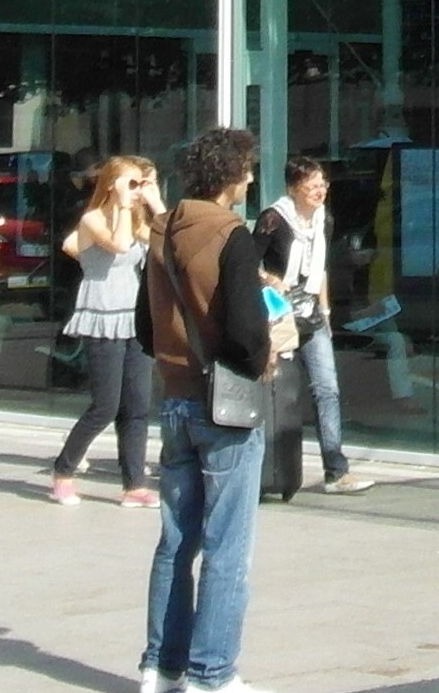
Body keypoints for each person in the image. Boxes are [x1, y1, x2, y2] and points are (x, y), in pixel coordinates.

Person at [139, 126, 280, 693]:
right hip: (223, 407)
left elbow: (142, 328)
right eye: (246, 169)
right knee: (227, 543)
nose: (250, 178)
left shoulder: (160, 228)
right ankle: (212, 673)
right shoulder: (231, 234)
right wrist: (267, 352)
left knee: (176, 539)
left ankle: (160, 666)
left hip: (173, 399)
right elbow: (247, 331)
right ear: (231, 175)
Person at [260, 154, 373, 496]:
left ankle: (336, 470)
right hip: (279, 315)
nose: (319, 190)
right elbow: (247, 263)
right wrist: (269, 278)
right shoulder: (273, 219)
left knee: (327, 388)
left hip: (310, 315)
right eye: (311, 185)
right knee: (279, 393)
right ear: (293, 188)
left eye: (322, 183)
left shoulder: (324, 220)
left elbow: (320, 267)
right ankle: (267, 466)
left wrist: (325, 310)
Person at [54, 155, 162, 507]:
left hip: (133, 319)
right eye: (130, 184)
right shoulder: (92, 220)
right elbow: (119, 245)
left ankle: (135, 484)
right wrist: (119, 204)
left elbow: (168, 242)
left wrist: (154, 201)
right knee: (105, 405)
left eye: (138, 184)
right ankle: (64, 470)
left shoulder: (137, 220)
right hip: (102, 318)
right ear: (112, 184)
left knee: (137, 405)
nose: (135, 192)